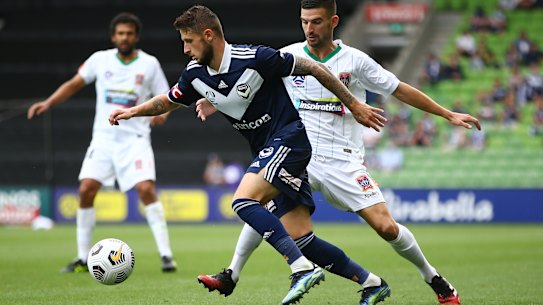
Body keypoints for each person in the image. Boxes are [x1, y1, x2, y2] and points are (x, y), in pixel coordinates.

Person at [195, 1, 481, 304]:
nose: (309, 28)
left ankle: (433, 277)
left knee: (386, 227)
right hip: (297, 155)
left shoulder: (354, 61)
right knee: (257, 202)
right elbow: (250, 82)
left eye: (316, 22)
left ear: (333, 21)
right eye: (304, 22)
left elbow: (398, 88)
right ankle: (231, 274)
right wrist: (217, 101)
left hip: (343, 160)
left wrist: (447, 114)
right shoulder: (289, 56)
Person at [108, 5, 390, 305]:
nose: (185, 48)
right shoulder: (195, 75)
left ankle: (299, 269)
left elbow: (315, 68)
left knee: (243, 201)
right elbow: (167, 101)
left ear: (208, 35)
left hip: (290, 140)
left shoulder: (256, 58)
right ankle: (372, 283)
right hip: (268, 151)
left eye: (189, 41)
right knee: (302, 238)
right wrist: (133, 111)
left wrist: (355, 105)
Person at [27, 12, 177, 273]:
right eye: (120, 33)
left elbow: (166, 97)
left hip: (135, 140)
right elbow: (74, 84)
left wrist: (162, 115)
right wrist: (48, 102)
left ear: (136, 36)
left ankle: (166, 255)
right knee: (86, 189)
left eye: (129, 33)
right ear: (113, 36)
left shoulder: (149, 63)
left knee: (145, 190)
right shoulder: (100, 59)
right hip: (104, 139)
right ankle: (83, 257)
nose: (124, 37)